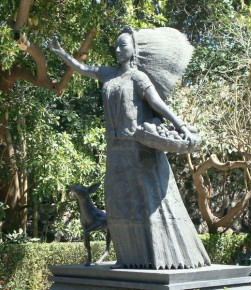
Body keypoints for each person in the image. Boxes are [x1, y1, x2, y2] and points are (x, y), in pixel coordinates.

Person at [48, 26, 211, 269]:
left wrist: (182, 126)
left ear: (134, 49)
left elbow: (157, 103)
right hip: (115, 153)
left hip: (138, 151)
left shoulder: (138, 77)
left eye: (123, 45)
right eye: (115, 45)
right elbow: (83, 68)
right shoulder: (108, 75)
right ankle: (129, 258)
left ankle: (161, 258)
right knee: (119, 202)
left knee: (144, 201)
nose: (117, 49)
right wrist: (61, 53)